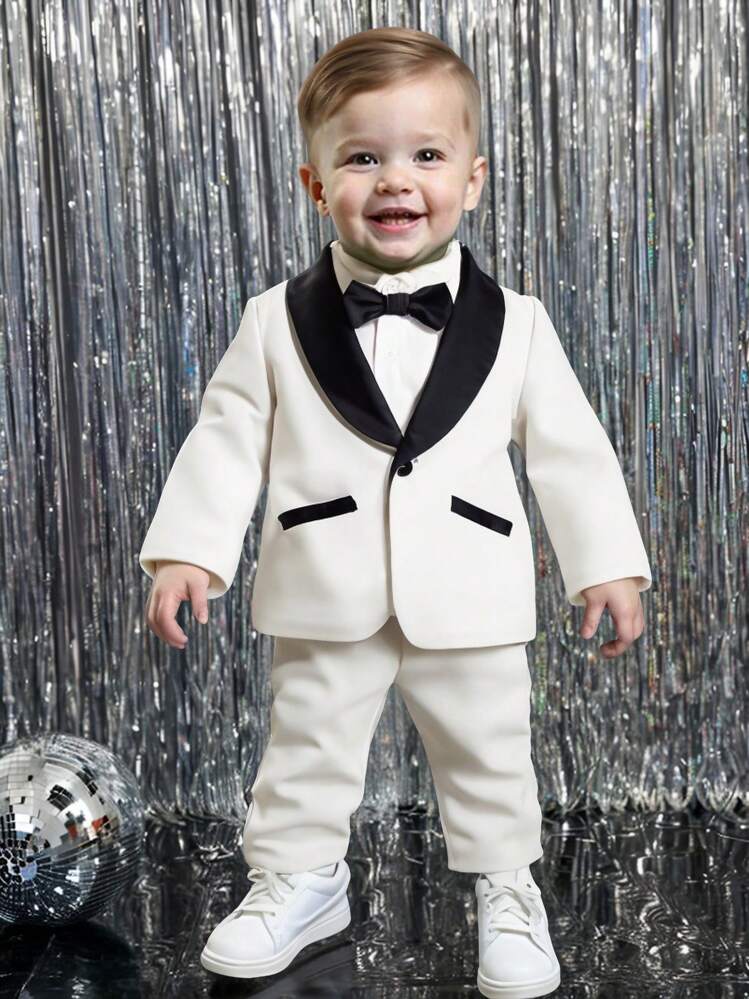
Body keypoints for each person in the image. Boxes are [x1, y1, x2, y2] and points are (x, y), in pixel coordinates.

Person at [140, 26, 651, 998]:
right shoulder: (273, 320)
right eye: (362, 159)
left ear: (473, 179)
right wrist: (187, 553)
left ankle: (506, 887)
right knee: (305, 747)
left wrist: (606, 565)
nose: (395, 181)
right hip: (322, 582)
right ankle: (299, 880)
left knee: (488, 751)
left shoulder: (518, 323)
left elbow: (571, 453)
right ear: (314, 183)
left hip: (469, 586)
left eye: (425, 155)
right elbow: (224, 438)